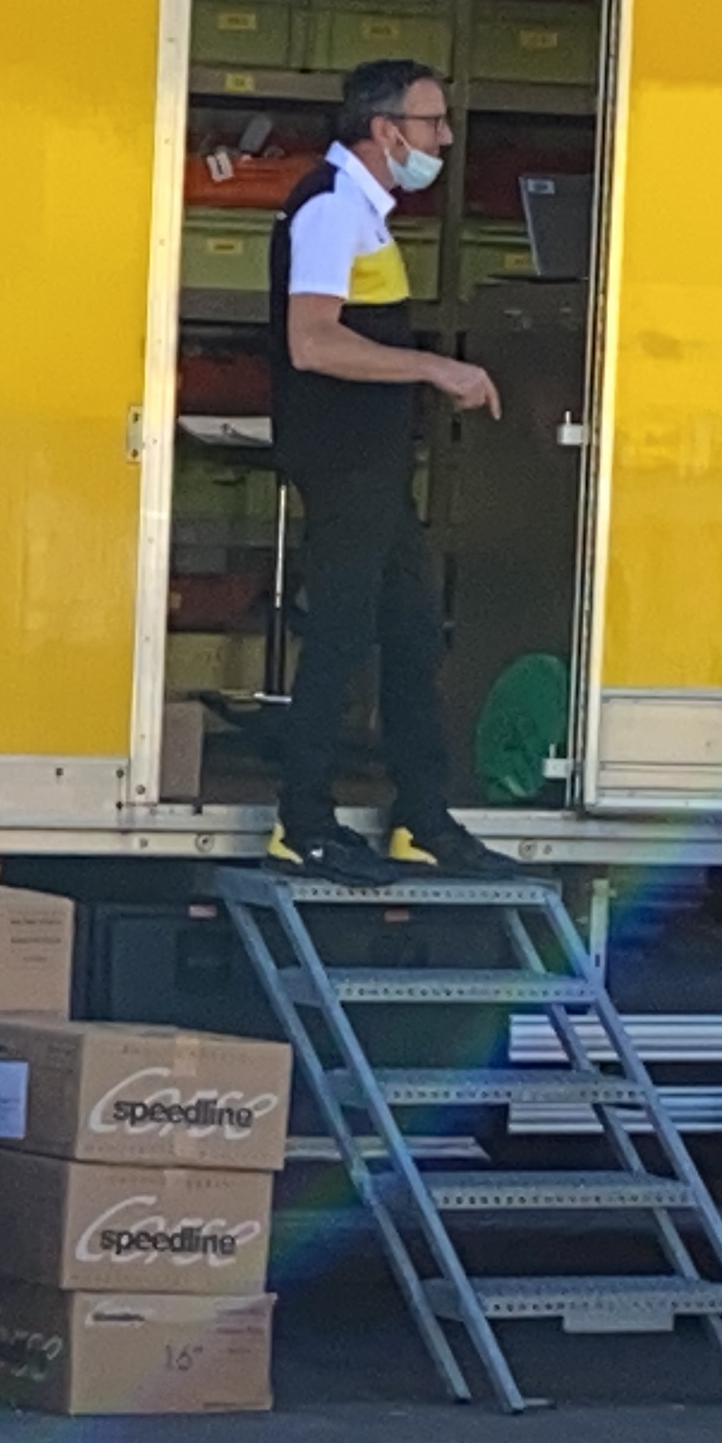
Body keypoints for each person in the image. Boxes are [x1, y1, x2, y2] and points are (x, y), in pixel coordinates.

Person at [266, 58, 523, 887]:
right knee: (340, 641)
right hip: (343, 463)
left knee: (412, 636)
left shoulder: (364, 212)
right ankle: (303, 825)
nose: (443, 139)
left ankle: (423, 819)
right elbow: (312, 341)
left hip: (374, 466)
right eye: (431, 122)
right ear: (384, 131)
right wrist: (432, 368)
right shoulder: (330, 209)